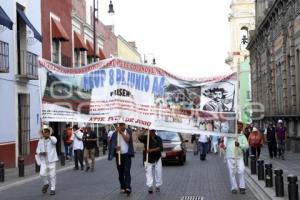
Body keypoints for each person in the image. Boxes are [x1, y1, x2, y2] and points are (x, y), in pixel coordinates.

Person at [108, 122, 135, 196]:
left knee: (127, 171)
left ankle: (128, 187)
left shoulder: (128, 131)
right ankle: (122, 186)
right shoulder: (114, 134)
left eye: (122, 125)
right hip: (118, 155)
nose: (121, 126)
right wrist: (116, 147)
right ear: (118, 125)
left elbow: (127, 140)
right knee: (120, 172)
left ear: (124, 125)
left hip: (127, 155)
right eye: (119, 125)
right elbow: (111, 144)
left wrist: (121, 133)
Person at [225, 121, 249, 194]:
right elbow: (223, 129)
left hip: (239, 156)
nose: (239, 127)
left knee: (241, 170)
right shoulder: (229, 134)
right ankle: (234, 187)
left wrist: (240, 145)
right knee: (231, 172)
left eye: (240, 126)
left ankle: (242, 186)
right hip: (230, 155)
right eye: (238, 126)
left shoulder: (242, 136)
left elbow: (246, 147)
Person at [138, 129, 163, 194]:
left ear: (155, 131)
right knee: (148, 173)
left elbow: (160, 148)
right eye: (150, 131)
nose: (151, 132)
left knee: (158, 172)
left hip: (157, 157)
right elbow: (139, 137)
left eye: (153, 130)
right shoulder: (146, 137)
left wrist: (151, 150)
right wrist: (145, 130)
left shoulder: (158, 138)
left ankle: (158, 185)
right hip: (148, 158)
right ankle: (150, 186)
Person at [36, 125, 58, 196]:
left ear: (49, 132)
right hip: (43, 161)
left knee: (52, 175)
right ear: (42, 133)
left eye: (47, 132)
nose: (46, 133)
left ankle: (52, 189)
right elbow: (37, 150)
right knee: (42, 174)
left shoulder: (52, 138)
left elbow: (55, 142)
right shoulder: (40, 141)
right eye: (44, 132)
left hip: (52, 161)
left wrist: (49, 137)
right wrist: (42, 153)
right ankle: (46, 183)